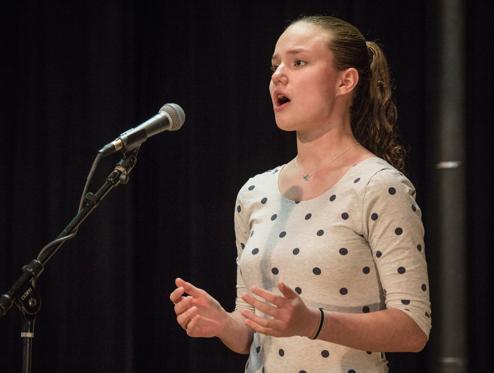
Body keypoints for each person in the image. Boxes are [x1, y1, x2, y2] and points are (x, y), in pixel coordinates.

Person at [170, 15, 431, 373]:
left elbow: (414, 328)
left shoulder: (379, 186)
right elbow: (252, 331)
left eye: (299, 62)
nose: (279, 75)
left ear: (345, 81)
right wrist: (222, 323)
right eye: (275, 65)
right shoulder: (255, 192)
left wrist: (314, 323)